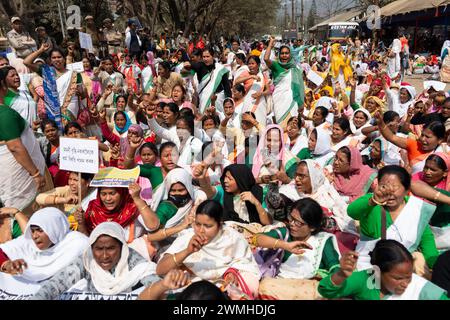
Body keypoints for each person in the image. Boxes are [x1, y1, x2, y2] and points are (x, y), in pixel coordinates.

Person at [156, 200, 261, 299]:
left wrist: (232, 272)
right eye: (197, 224)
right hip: (193, 288)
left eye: (208, 226)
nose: (201, 230)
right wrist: (187, 251)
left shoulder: (232, 238)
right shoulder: (187, 238)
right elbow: (160, 270)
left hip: (223, 288)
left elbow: (246, 263)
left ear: (219, 224)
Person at [348, 165, 439, 277]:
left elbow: (429, 248)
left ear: (407, 190)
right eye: (384, 187)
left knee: (418, 260)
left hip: (401, 272)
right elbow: (352, 212)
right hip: (369, 266)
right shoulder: (371, 203)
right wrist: (373, 201)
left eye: (394, 188)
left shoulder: (416, 211)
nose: (389, 193)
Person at [31, 222, 159, 300]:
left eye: (111, 248)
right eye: (99, 249)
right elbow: (56, 284)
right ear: (92, 248)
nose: (104, 256)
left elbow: (157, 286)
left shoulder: (131, 259)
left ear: (122, 247)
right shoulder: (87, 260)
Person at [255, 198, 341, 300]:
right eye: (291, 218)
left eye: (298, 222)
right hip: (281, 286)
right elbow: (256, 238)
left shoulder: (322, 240)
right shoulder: (285, 233)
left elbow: (334, 266)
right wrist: (285, 245)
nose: (292, 224)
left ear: (312, 227)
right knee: (266, 286)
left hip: (308, 289)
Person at [0, 208, 88, 299]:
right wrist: (6, 264)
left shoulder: (77, 243)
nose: (35, 236)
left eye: (40, 230)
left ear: (54, 228)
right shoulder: (28, 242)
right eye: (32, 231)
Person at [318, 240, 448, 300]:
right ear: (378, 271)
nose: (406, 283)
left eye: (408, 276)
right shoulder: (366, 280)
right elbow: (326, 290)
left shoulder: (418, 286)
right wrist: (341, 274)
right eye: (397, 278)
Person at [0, 67, 48, 214]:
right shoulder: (4, 113)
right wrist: (35, 174)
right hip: (22, 181)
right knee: (29, 217)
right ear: (3, 85)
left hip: (13, 178)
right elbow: (14, 147)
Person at [24, 43, 85, 129]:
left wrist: (81, 92)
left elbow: (83, 94)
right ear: (50, 60)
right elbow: (26, 62)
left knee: (71, 135)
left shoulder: (74, 74)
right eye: (54, 58)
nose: (57, 60)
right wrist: (40, 50)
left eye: (59, 57)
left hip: (70, 110)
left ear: (64, 58)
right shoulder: (46, 72)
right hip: (52, 111)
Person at [196, 164, 271, 226]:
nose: (225, 181)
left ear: (240, 180)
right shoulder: (223, 192)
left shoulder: (259, 193)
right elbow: (209, 190)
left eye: (229, 178)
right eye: (225, 177)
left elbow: (267, 222)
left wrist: (256, 203)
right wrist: (202, 179)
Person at [376, 113, 447, 175]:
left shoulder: (445, 154)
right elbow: (391, 137)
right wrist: (381, 123)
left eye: (427, 137)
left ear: (440, 140)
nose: (422, 139)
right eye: (422, 135)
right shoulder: (414, 145)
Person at [264, 37, 304, 127]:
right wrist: (270, 44)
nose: (284, 55)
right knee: (281, 125)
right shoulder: (276, 65)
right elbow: (266, 59)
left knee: (292, 125)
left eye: (286, 53)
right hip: (279, 99)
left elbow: (300, 87)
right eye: (282, 53)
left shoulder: (295, 68)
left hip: (292, 100)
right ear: (279, 55)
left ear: (290, 54)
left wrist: (301, 103)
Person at [183, 47, 231, 114]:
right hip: (204, 98)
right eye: (204, 57)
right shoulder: (200, 66)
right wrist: (187, 64)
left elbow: (226, 86)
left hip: (218, 98)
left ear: (213, 56)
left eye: (207, 56)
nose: (205, 59)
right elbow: (191, 66)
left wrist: (229, 100)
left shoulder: (220, 69)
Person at [235, 55, 270, 126]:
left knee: (260, 123)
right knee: (246, 123)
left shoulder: (263, 75)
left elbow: (268, 90)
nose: (250, 66)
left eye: (252, 63)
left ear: (258, 65)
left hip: (260, 103)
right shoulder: (246, 73)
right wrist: (251, 76)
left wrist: (261, 93)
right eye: (249, 64)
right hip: (248, 102)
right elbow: (236, 81)